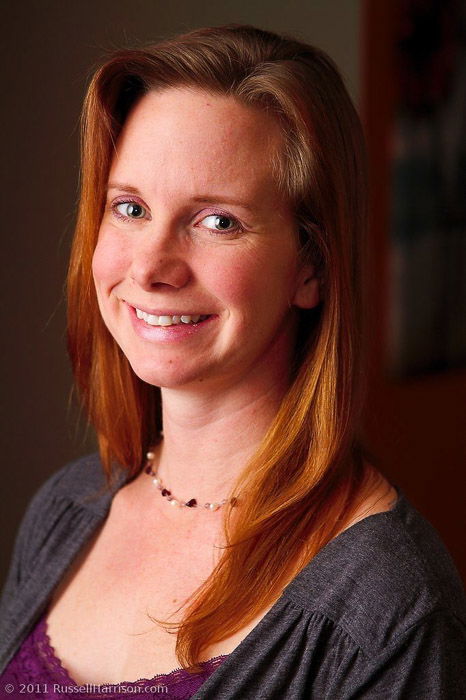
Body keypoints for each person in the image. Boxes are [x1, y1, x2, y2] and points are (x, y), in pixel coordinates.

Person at [1, 24, 465, 700]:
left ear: (311, 267)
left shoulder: (393, 608)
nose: (152, 266)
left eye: (218, 221)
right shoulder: (67, 508)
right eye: (129, 208)